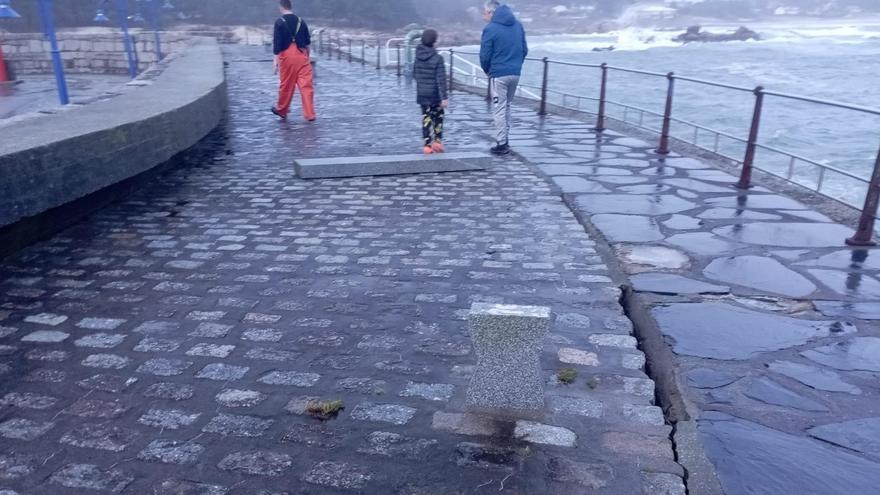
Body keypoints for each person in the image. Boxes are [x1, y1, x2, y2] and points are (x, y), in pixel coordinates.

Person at [480, 0, 528, 155]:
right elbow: (524, 49)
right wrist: (516, 65)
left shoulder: (490, 29)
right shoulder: (518, 25)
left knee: (499, 108)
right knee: (507, 106)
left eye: (485, 12)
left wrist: (488, 71)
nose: (483, 15)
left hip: (499, 74)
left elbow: (485, 56)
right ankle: (505, 139)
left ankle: (502, 143)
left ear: (492, 13)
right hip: (515, 72)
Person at [271, 0, 316, 121]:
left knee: (286, 84)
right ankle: (310, 114)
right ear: (291, 7)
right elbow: (307, 42)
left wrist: (275, 62)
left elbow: (277, 43)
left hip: (286, 56)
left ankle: (282, 110)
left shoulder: (279, 22)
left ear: (281, 7)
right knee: (306, 86)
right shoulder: (301, 21)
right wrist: (307, 56)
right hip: (302, 55)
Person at [413, 29, 449, 154]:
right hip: (435, 95)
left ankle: (427, 145)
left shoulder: (417, 56)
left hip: (422, 94)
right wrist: (444, 97)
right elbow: (441, 79)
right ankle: (437, 142)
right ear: (434, 42)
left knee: (426, 118)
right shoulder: (438, 58)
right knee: (438, 118)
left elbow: (415, 74)